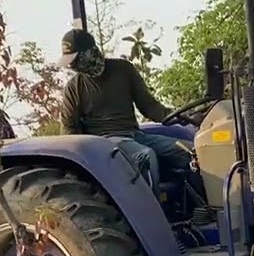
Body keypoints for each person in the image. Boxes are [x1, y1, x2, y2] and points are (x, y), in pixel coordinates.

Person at [56, 28, 193, 189]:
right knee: (144, 157)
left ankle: (200, 209)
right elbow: (69, 129)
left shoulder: (123, 69)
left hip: (135, 136)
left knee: (193, 152)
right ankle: (147, 212)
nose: (72, 65)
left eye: (75, 59)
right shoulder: (74, 88)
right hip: (105, 143)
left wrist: (187, 117)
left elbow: (150, 107)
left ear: (89, 52)